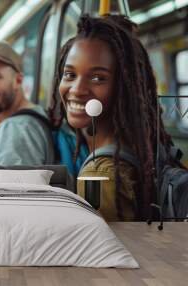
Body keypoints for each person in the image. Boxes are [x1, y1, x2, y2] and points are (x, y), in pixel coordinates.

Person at [49, 14, 177, 221]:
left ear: (122, 88)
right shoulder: (142, 148)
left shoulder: (99, 175)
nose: (77, 90)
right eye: (70, 75)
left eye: (98, 78)